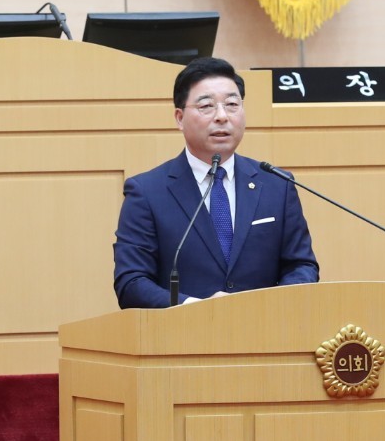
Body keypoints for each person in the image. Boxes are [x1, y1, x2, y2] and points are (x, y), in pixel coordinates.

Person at [114, 57, 319, 308]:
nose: (222, 116)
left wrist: (269, 307)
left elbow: (301, 265)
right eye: (207, 106)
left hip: (265, 327)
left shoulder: (277, 184)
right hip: (184, 330)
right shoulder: (146, 192)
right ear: (179, 118)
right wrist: (196, 309)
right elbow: (131, 282)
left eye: (232, 104)